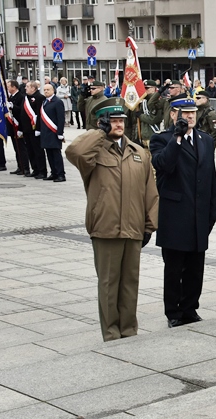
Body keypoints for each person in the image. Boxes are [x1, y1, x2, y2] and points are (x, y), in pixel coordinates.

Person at [65, 98, 158, 341]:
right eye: (113, 121)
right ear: (103, 123)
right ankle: (111, 333)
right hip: (105, 228)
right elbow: (74, 152)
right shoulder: (94, 153)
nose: (119, 125)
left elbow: (151, 192)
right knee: (108, 284)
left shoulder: (139, 153)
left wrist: (149, 226)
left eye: (121, 121)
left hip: (133, 227)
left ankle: (129, 330)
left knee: (130, 283)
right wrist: (98, 133)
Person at [150, 94, 216, 328]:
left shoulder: (206, 140)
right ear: (173, 115)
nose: (190, 117)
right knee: (174, 268)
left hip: (200, 214)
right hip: (175, 214)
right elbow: (163, 165)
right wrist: (177, 138)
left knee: (195, 267)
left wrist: (213, 210)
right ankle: (174, 312)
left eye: (192, 113)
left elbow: (210, 178)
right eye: (184, 113)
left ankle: (190, 308)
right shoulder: (162, 139)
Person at [37, 83, 66, 182]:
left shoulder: (57, 102)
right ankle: (54, 173)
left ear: (53, 90)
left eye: (48, 90)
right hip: (46, 132)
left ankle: (61, 174)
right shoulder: (45, 101)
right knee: (49, 154)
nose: (45, 91)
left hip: (54, 132)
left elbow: (61, 118)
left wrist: (60, 133)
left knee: (56, 154)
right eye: (44, 90)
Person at [19, 81, 47, 179]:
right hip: (27, 129)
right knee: (30, 151)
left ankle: (42, 171)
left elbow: (40, 115)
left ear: (33, 88)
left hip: (35, 129)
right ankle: (35, 169)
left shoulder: (39, 98)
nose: (25, 88)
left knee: (38, 151)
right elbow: (22, 114)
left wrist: (38, 129)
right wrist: (20, 129)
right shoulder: (25, 98)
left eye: (27, 86)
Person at [130, 80, 164, 154]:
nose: (145, 90)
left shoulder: (157, 101)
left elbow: (153, 119)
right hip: (143, 136)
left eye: (147, 88)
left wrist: (140, 116)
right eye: (144, 88)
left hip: (152, 135)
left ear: (154, 89)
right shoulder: (144, 101)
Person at [6, 80, 31, 176]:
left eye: (9, 86)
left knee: (21, 148)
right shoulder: (11, 97)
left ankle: (25, 168)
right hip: (13, 127)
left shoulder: (21, 97)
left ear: (14, 87)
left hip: (19, 126)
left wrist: (13, 106)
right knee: (16, 148)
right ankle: (19, 167)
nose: (8, 88)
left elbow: (22, 112)